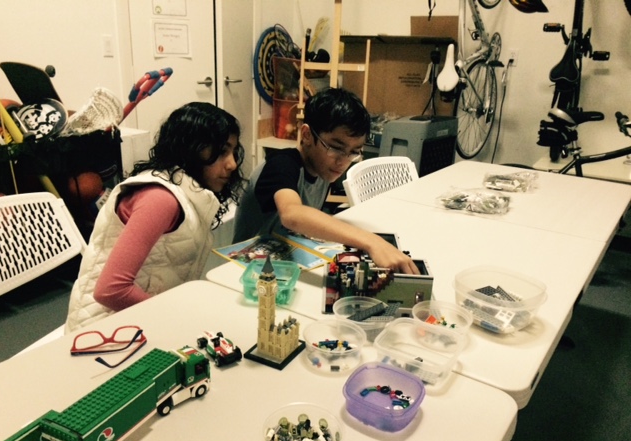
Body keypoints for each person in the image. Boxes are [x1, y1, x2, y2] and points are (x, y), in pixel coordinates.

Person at [65, 102, 245, 332]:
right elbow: (110, 290)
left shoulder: (186, 192)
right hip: (103, 331)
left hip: (138, 319)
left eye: (233, 152)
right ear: (191, 148)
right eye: (221, 152)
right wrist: (175, 317)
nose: (232, 164)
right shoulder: (160, 199)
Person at [233, 87, 418, 274]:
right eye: (336, 148)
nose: (343, 161)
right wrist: (371, 241)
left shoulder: (322, 169)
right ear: (306, 135)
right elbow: (292, 215)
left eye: (354, 152)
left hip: (285, 262)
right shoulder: (281, 165)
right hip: (245, 269)